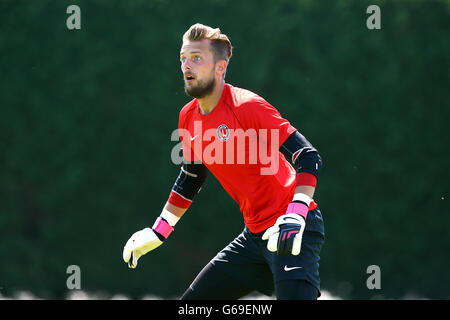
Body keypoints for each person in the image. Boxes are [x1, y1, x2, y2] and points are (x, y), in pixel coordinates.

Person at [123, 23, 325, 300]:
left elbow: (308, 157)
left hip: (291, 229)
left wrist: (296, 214)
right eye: (183, 58)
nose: (186, 66)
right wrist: (159, 231)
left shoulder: (247, 106)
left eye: (196, 58)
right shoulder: (187, 116)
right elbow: (192, 176)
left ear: (220, 68)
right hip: (253, 238)